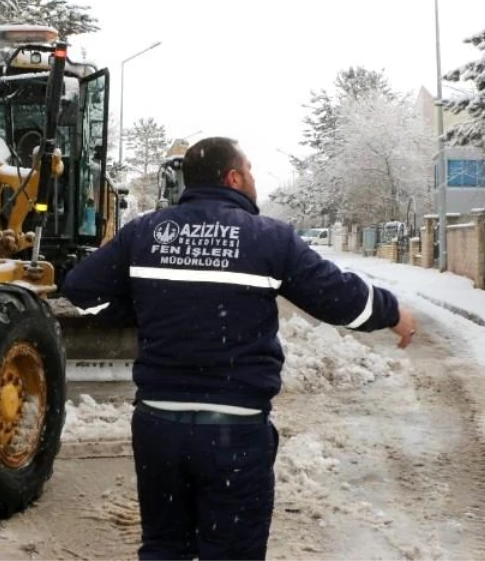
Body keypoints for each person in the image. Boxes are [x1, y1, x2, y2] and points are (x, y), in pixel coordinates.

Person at [61, 136, 417, 560]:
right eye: (249, 169)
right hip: (234, 434)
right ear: (233, 176)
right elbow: (340, 299)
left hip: (159, 429)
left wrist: (144, 311)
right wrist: (393, 312)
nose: (253, 178)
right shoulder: (268, 238)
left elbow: (80, 288)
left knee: (164, 548)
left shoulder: (146, 231)